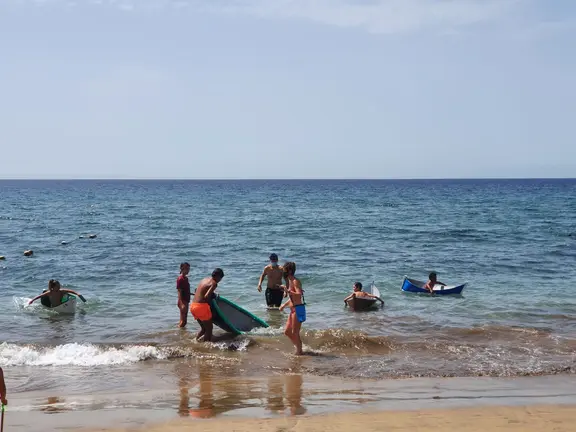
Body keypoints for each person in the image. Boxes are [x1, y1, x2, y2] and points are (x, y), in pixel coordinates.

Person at [190, 268, 225, 342]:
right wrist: (214, 297)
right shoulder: (214, 283)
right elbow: (206, 296)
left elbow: (197, 290)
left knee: (204, 328)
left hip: (193, 306)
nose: (220, 280)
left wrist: (213, 294)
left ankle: (195, 342)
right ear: (218, 276)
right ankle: (206, 347)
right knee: (209, 329)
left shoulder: (204, 279)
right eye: (220, 278)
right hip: (201, 307)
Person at [278, 262, 305, 356]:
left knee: (295, 332)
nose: (283, 271)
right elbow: (292, 298)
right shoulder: (290, 281)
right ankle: (299, 347)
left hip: (298, 309)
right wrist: (284, 305)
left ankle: (299, 351)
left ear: (289, 271)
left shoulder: (295, 281)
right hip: (293, 310)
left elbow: (299, 294)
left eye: (284, 270)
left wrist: (288, 290)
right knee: (287, 332)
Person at [177, 262, 191, 328]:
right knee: (183, 321)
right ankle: (178, 334)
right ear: (182, 269)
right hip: (183, 301)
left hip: (186, 300)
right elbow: (179, 292)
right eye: (186, 269)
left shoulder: (186, 278)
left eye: (189, 269)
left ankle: (181, 335)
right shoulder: (180, 279)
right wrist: (181, 303)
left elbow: (186, 291)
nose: (188, 270)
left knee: (183, 320)